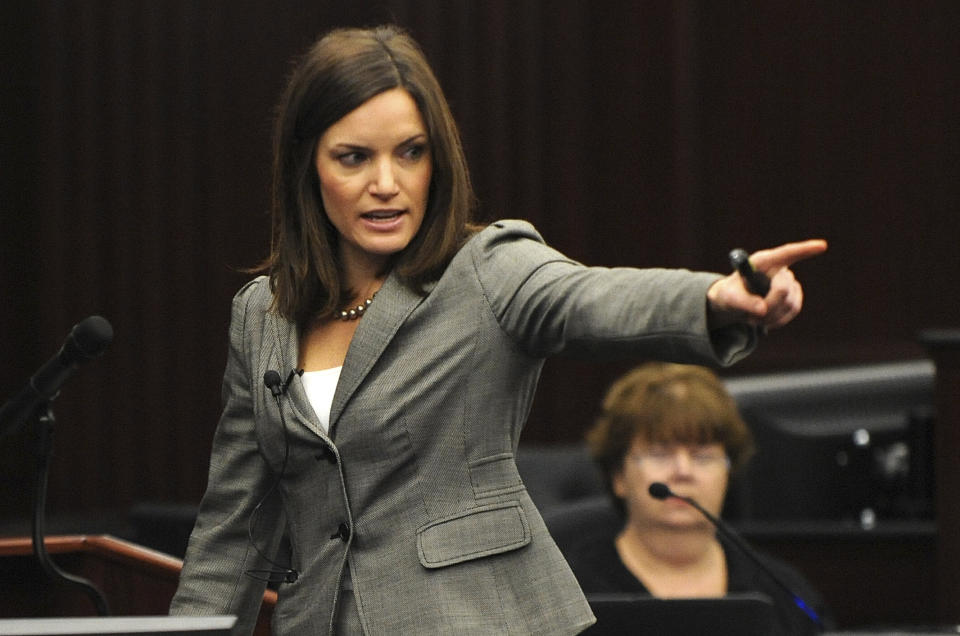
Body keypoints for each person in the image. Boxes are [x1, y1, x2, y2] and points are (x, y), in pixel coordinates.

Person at [169, 24, 827, 635]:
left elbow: (593, 298)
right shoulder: (263, 314)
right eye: (353, 158)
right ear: (306, 165)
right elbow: (233, 531)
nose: (386, 184)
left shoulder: (485, 270)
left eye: (410, 152)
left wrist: (717, 297)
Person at [564, 362, 833, 635]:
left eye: (702, 456)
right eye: (660, 453)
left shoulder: (780, 590)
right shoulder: (568, 592)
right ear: (618, 476)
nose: (684, 472)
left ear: (729, 473)